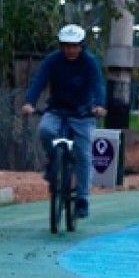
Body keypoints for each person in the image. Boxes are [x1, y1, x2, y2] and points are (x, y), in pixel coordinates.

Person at [21, 24, 107, 219]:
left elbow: (98, 85)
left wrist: (100, 105)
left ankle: (83, 198)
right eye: (66, 45)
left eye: (74, 46)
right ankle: (54, 161)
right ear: (61, 46)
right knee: (45, 130)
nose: (70, 50)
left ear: (81, 46)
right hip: (57, 110)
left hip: (82, 114)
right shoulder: (53, 60)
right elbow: (39, 82)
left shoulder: (89, 62)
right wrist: (29, 102)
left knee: (84, 153)